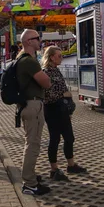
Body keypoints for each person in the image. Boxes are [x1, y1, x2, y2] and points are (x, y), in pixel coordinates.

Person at [41, 46, 87, 181]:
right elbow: (47, 94)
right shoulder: (46, 72)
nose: (61, 58)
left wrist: (68, 105)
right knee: (55, 139)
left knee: (69, 137)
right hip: (53, 109)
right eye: (59, 56)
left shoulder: (56, 70)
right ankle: (54, 169)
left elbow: (63, 89)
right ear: (51, 57)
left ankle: (71, 165)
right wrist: (63, 95)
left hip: (62, 109)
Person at [16, 29, 52, 196]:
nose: (40, 41)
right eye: (37, 38)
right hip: (33, 105)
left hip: (25, 105)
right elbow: (46, 83)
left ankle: (30, 177)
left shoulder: (20, 59)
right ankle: (29, 183)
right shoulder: (29, 62)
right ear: (29, 41)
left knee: (30, 143)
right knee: (33, 144)